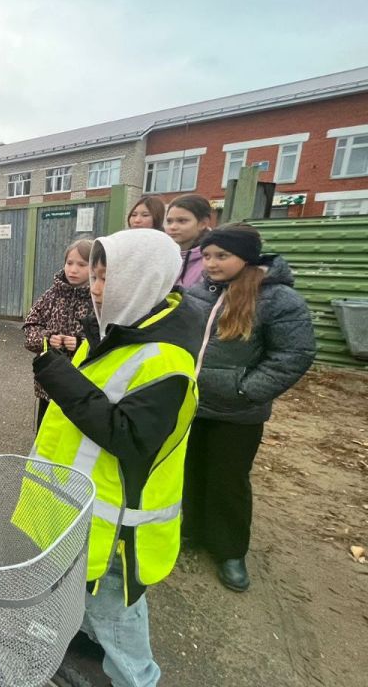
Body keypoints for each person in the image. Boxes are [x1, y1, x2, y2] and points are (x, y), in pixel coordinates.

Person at [27, 228, 204, 687]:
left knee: (117, 616)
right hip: (80, 507)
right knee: (81, 595)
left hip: (115, 529)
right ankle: (83, 640)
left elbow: (127, 436)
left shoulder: (166, 361)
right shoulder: (116, 329)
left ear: (143, 280)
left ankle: (136, 679)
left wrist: (60, 379)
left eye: (107, 277)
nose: (96, 288)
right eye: (95, 276)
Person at [183, 223, 315, 592]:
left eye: (222, 256)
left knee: (228, 481)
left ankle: (229, 550)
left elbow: (293, 355)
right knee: (190, 472)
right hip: (192, 406)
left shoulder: (279, 299)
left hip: (237, 413)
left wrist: (244, 390)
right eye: (207, 256)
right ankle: (191, 531)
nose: (211, 263)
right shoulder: (201, 290)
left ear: (247, 257)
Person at [23, 239, 93, 426]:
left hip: (84, 384)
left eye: (82, 264)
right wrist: (46, 339)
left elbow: (108, 338)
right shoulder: (51, 295)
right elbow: (30, 326)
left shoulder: (98, 299)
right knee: (46, 431)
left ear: (94, 266)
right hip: (50, 382)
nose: (73, 270)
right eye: (69, 263)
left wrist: (81, 344)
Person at [165, 194, 212, 287]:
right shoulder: (163, 255)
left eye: (182, 221)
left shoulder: (211, 261)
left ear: (203, 223)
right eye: (169, 221)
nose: (172, 227)